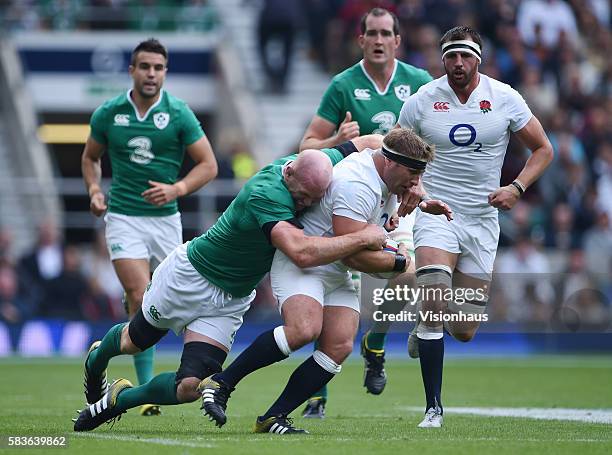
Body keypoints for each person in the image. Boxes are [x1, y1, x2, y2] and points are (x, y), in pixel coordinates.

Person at [73, 136, 389, 432]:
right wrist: (364, 236)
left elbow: (369, 142)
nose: (305, 203)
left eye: (313, 198)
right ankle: (97, 358)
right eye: (302, 195)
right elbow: (300, 253)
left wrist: (407, 172)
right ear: (288, 172)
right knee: (134, 341)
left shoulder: (314, 166)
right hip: (191, 277)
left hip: (231, 298)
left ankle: (119, 399)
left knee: (190, 388)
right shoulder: (267, 193)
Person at [199, 128, 451, 434]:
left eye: (419, 174)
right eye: (412, 173)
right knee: (303, 329)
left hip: (334, 267)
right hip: (306, 264)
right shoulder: (358, 186)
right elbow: (353, 257)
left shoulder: (387, 167)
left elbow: (377, 142)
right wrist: (399, 261)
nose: (415, 181)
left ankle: (273, 417)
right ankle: (222, 383)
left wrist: (419, 196)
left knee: (340, 344)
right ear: (392, 163)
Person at [397, 25, 553, 428]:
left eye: (466, 56)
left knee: (464, 329)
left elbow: (543, 149)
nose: (458, 63)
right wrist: (416, 188)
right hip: (437, 215)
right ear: (442, 58)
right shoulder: (421, 101)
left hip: (483, 220)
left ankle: (426, 324)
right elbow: (395, 152)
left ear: (478, 60)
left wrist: (517, 187)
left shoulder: (505, 99)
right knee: (433, 294)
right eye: (451, 56)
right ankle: (433, 408)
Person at [299, 6, 433, 415]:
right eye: (371, 33)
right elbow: (306, 146)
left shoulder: (419, 83)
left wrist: (420, 185)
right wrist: (336, 139)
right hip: (350, 203)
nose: (378, 40)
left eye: (385, 33)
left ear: (397, 40)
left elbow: (430, 151)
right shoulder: (343, 84)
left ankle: (376, 339)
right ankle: (317, 393)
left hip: (398, 202)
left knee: (409, 274)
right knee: (332, 299)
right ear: (360, 40)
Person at [81, 38, 219, 416]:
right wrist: (94, 189)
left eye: (158, 68)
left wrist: (178, 188)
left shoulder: (178, 113)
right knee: (140, 296)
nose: (151, 74)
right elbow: (90, 157)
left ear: (165, 72)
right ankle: (143, 392)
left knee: (161, 299)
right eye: (145, 67)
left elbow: (208, 165)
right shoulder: (109, 113)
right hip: (124, 216)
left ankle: (101, 355)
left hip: (166, 221)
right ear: (132, 70)